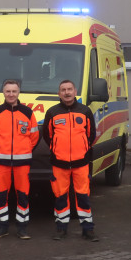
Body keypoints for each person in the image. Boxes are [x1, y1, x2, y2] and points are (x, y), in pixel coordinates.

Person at [42, 79, 98, 241]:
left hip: (81, 163)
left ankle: (88, 229)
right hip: (59, 163)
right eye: (63, 90)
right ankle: (61, 228)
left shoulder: (85, 111)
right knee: (60, 196)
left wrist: (82, 149)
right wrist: (57, 149)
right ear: (59, 93)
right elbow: (47, 135)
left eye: (69, 89)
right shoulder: (52, 112)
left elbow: (91, 134)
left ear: (75, 92)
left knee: (83, 196)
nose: (67, 92)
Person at [0, 79, 39, 239]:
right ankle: (2, 227)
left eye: (14, 91)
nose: (11, 94)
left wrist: (25, 149)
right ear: (3, 92)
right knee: (1, 195)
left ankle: (22, 228)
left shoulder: (28, 112)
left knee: (23, 195)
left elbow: (34, 136)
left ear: (19, 92)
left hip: (23, 162)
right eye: (8, 91)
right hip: (1, 162)